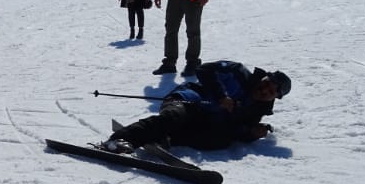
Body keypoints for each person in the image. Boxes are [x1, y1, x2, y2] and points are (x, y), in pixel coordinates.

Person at [105, 60, 291, 152]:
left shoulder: (256, 110)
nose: (265, 90)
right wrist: (221, 96)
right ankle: (119, 140)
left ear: (274, 97)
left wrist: (251, 133)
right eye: (267, 83)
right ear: (264, 77)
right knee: (174, 117)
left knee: (222, 140)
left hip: (204, 120)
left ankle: (168, 138)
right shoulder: (238, 72)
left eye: (272, 91)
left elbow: (236, 130)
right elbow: (204, 70)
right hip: (188, 99)